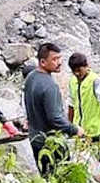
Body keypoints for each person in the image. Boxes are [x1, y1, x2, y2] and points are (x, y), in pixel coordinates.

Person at [24, 43, 85, 174]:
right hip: (51, 143)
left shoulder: (30, 77)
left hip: (35, 139)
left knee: (45, 176)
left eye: (59, 58)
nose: (59, 62)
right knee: (61, 177)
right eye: (55, 59)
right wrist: (74, 129)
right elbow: (54, 118)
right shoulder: (50, 86)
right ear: (42, 62)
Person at [67, 53, 100, 141]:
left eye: (79, 70)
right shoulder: (73, 81)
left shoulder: (95, 81)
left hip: (97, 132)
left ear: (86, 66)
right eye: (73, 71)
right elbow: (71, 104)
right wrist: (70, 127)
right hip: (80, 131)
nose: (76, 73)